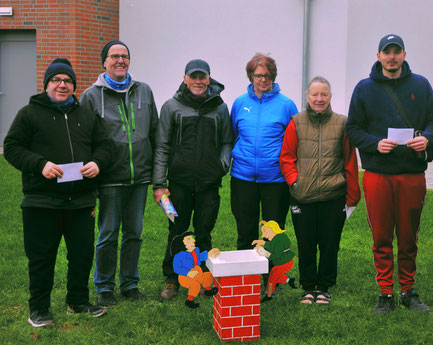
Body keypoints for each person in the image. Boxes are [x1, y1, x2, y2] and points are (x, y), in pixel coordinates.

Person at [4, 58, 110, 327]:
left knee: (81, 255)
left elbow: (105, 145)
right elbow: (13, 147)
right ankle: (38, 309)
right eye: (56, 80)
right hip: (42, 201)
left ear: (74, 86)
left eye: (68, 81)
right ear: (47, 84)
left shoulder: (86, 113)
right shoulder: (29, 113)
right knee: (41, 257)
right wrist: (40, 165)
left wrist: (97, 162)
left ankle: (78, 301)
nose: (62, 85)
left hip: (81, 201)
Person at [346, 34, 433, 314]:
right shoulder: (364, 88)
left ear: (404, 54)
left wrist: (427, 139)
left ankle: (408, 290)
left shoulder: (420, 85)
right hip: (378, 174)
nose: (391, 57)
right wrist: (374, 143)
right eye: (386, 52)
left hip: (411, 174)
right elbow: (353, 129)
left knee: (409, 236)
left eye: (396, 51)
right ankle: (385, 292)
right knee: (382, 237)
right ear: (378, 56)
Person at [80, 40, 158, 307]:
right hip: (110, 178)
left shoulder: (144, 91)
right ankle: (104, 287)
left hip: (140, 178)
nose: (120, 61)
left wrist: (157, 174)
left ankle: (130, 284)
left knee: (134, 233)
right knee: (108, 234)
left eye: (124, 56)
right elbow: (85, 141)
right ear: (104, 62)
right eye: (114, 56)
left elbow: (155, 132)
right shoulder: (91, 96)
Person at [152, 59, 233, 301]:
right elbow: (162, 146)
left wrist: (221, 165)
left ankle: (205, 276)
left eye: (202, 77)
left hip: (209, 183)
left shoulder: (220, 108)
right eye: (193, 77)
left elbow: (227, 141)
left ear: (209, 79)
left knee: (204, 230)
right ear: (185, 79)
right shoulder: (171, 107)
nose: (198, 81)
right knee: (177, 230)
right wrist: (159, 184)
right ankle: (173, 279)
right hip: (178, 184)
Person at [281, 76, 361, 305]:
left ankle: (324, 287)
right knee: (306, 243)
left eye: (323, 94)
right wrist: (294, 181)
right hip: (302, 195)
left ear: (330, 97)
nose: (319, 98)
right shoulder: (296, 122)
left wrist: (352, 194)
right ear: (307, 97)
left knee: (329, 244)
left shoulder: (342, 123)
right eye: (314, 94)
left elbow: (349, 161)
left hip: (332, 195)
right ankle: (308, 287)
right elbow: (286, 157)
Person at [230, 53, 298, 251]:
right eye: (259, 75)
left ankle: (271, 280)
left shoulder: (286, 105)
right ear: (251, 76)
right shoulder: (240, 103)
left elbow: (294, 142)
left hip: (275, 180)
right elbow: (234, 134)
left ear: (273, 77)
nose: (263, 80)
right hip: (243, 178)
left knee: (273, 233)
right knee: (245, 230)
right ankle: (248, 277)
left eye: (267, 76)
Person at [252, 221, 297, 302]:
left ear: (271, 231)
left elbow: (275, 255)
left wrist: (263, 252)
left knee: (272, 279)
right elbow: (272, 245)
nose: (263, 235)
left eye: (265, 232)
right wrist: (262, 242)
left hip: (285, 263)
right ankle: (289, 280)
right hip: (282, 262)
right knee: (274, 276)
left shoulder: (280, 240)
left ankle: (269, 295)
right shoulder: (277, 237)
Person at [173, 232, 221, 309]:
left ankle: (208, 290)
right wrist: (188, 273)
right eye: (189, 239)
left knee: (208, 275)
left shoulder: (195, 250)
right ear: (182, 244)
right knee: (195, 284)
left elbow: (198, 258)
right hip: (185, 277)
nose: (193, 240)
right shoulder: (179, 256)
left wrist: (208, 254)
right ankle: (190, 300)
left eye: (192, 238)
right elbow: (177, 268)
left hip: (198, 274)